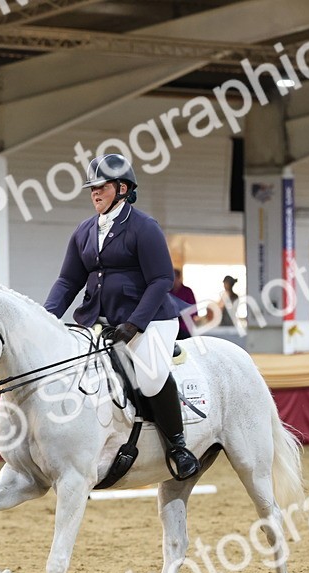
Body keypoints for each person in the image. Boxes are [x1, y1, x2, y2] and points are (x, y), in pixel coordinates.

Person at [44, 153, 199, 481]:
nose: (95, 193)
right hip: (100, 321)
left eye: (101, 186)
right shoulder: (85, 231)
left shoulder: (144, 227)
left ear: (123, 188)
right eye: (92, 188)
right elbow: (68, 281)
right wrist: (46, 318)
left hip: (150, 320)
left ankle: (177, 446)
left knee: (151, 374)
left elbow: (161, 280)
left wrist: (134, 325)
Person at [169, 269, 198, 339]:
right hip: (172, 327)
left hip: (185, 327)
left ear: (179, 278)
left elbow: (193, 310)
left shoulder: (187, 291)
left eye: (174, 278)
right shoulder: (168, 292)